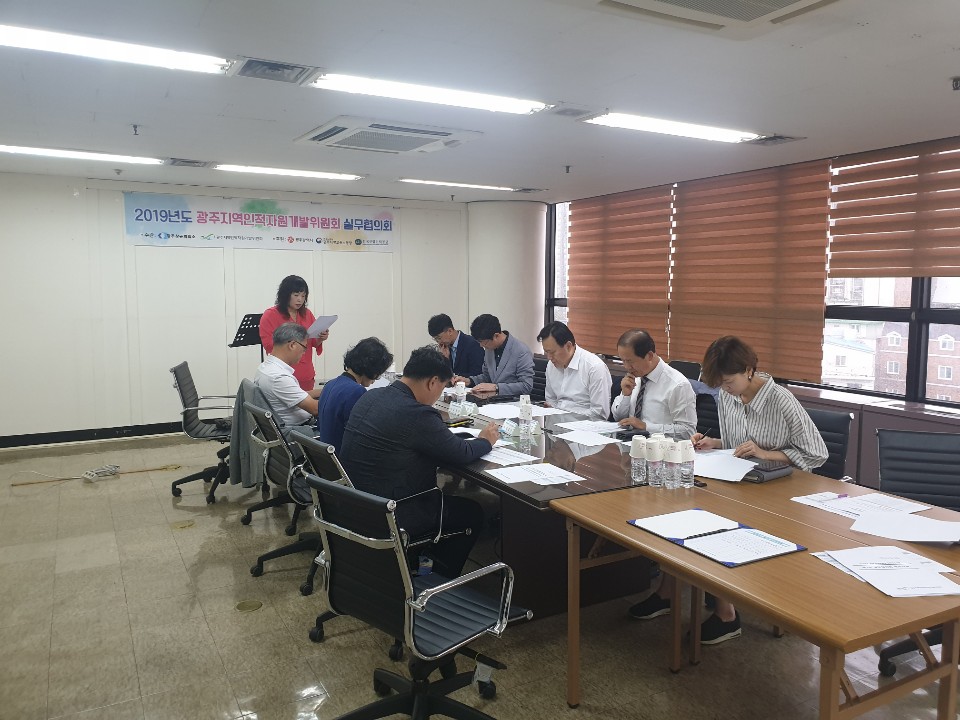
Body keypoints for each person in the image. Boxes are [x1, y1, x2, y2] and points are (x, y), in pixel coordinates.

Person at [629, 336, 827, 645]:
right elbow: (737, 445)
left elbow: (816, 454)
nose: (725, 388)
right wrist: (714, 443)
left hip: (782, 493)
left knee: (714, 525)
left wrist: (765, 453)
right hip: (742, 482)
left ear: (749, 370)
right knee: (681, 513)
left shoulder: (781, 400)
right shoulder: (728, 396)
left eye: (728, 381)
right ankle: (668, 592)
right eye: (720, 383)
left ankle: (726, 615)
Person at [339, 346, 500, 576]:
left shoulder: (372, 395)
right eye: (442, 387)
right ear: (433, 382)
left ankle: (419, 561)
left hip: (357, 502)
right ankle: (438, 579)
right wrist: (486, 441)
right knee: (472, 512)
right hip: (394, 510)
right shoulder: (417, 413)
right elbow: (462, 452)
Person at [611, 329, 696, 439]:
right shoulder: (635, 377)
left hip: (661, 447)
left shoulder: (678, 385)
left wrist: (646, 427)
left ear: (649, 356)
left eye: (630, 361)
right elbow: (619, 418)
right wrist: (625, 395)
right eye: (623, 361)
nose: (627, 367)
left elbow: (688, 431)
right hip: (629, 444)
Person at [316, 337, 393, 450]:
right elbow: (362, 434)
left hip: (329, 453)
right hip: (343, 454)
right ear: (372, 368)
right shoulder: (356, 391)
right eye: (379, 373)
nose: (376, 379)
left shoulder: (330, 384)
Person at [259, 275, 329, 392]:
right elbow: (269, 345)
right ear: (285, 295)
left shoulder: (307, 314)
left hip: (306, 372)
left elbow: (312, 342)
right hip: (283, 375)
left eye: (303, 296)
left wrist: (320, 338)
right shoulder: (270, 315)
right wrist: (293, 343)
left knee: (308, 402)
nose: (300, 299)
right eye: (296, 295)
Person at [537, 321, 612, 420]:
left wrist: (562, 410)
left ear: (568, 346)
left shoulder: (594, 367)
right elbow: (551, 401)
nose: (549, 357)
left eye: (552, 352)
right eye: (546, 352)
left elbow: (599, 414)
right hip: (556, 424)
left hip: (585, 426)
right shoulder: (551, 365)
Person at [254, 323, 322, 426]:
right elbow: (315, 409)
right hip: (301, 429)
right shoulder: (279, 377)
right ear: (292, 345)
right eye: (304, 348)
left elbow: (295, 394)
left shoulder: (265, 367)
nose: (304, 353)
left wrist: (326, 391)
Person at [451, 314, 535, 396]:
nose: (481, 346)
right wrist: (469, 381)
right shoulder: (490, 348)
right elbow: (487, 376)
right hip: (492, 399)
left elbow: (526, 386)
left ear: (496, 336)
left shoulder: (521, 351)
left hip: (512, 401)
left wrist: (497, 387)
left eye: (483, 342)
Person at [428, 313, 484, 378]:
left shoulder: (473, 344)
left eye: (439, 338)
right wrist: (445, 360)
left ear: (450, 331)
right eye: (435, 339)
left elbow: (478, 374)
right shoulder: (443, 348)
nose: (439, 342)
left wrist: (454, 377)